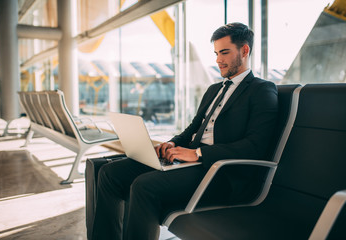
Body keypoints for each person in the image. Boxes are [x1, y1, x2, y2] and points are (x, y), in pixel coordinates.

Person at [92, 22, 278, 240]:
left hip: (222, 172)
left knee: (144, 186)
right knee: (110, 173)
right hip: (192, 161)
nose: (218, 60)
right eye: (216, 53)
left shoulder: (262, 90)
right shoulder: (214, 90)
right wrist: (172, 143)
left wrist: (198, 154)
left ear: (244, 50)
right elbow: (193, 128)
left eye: (225, 52)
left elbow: (256, 147)